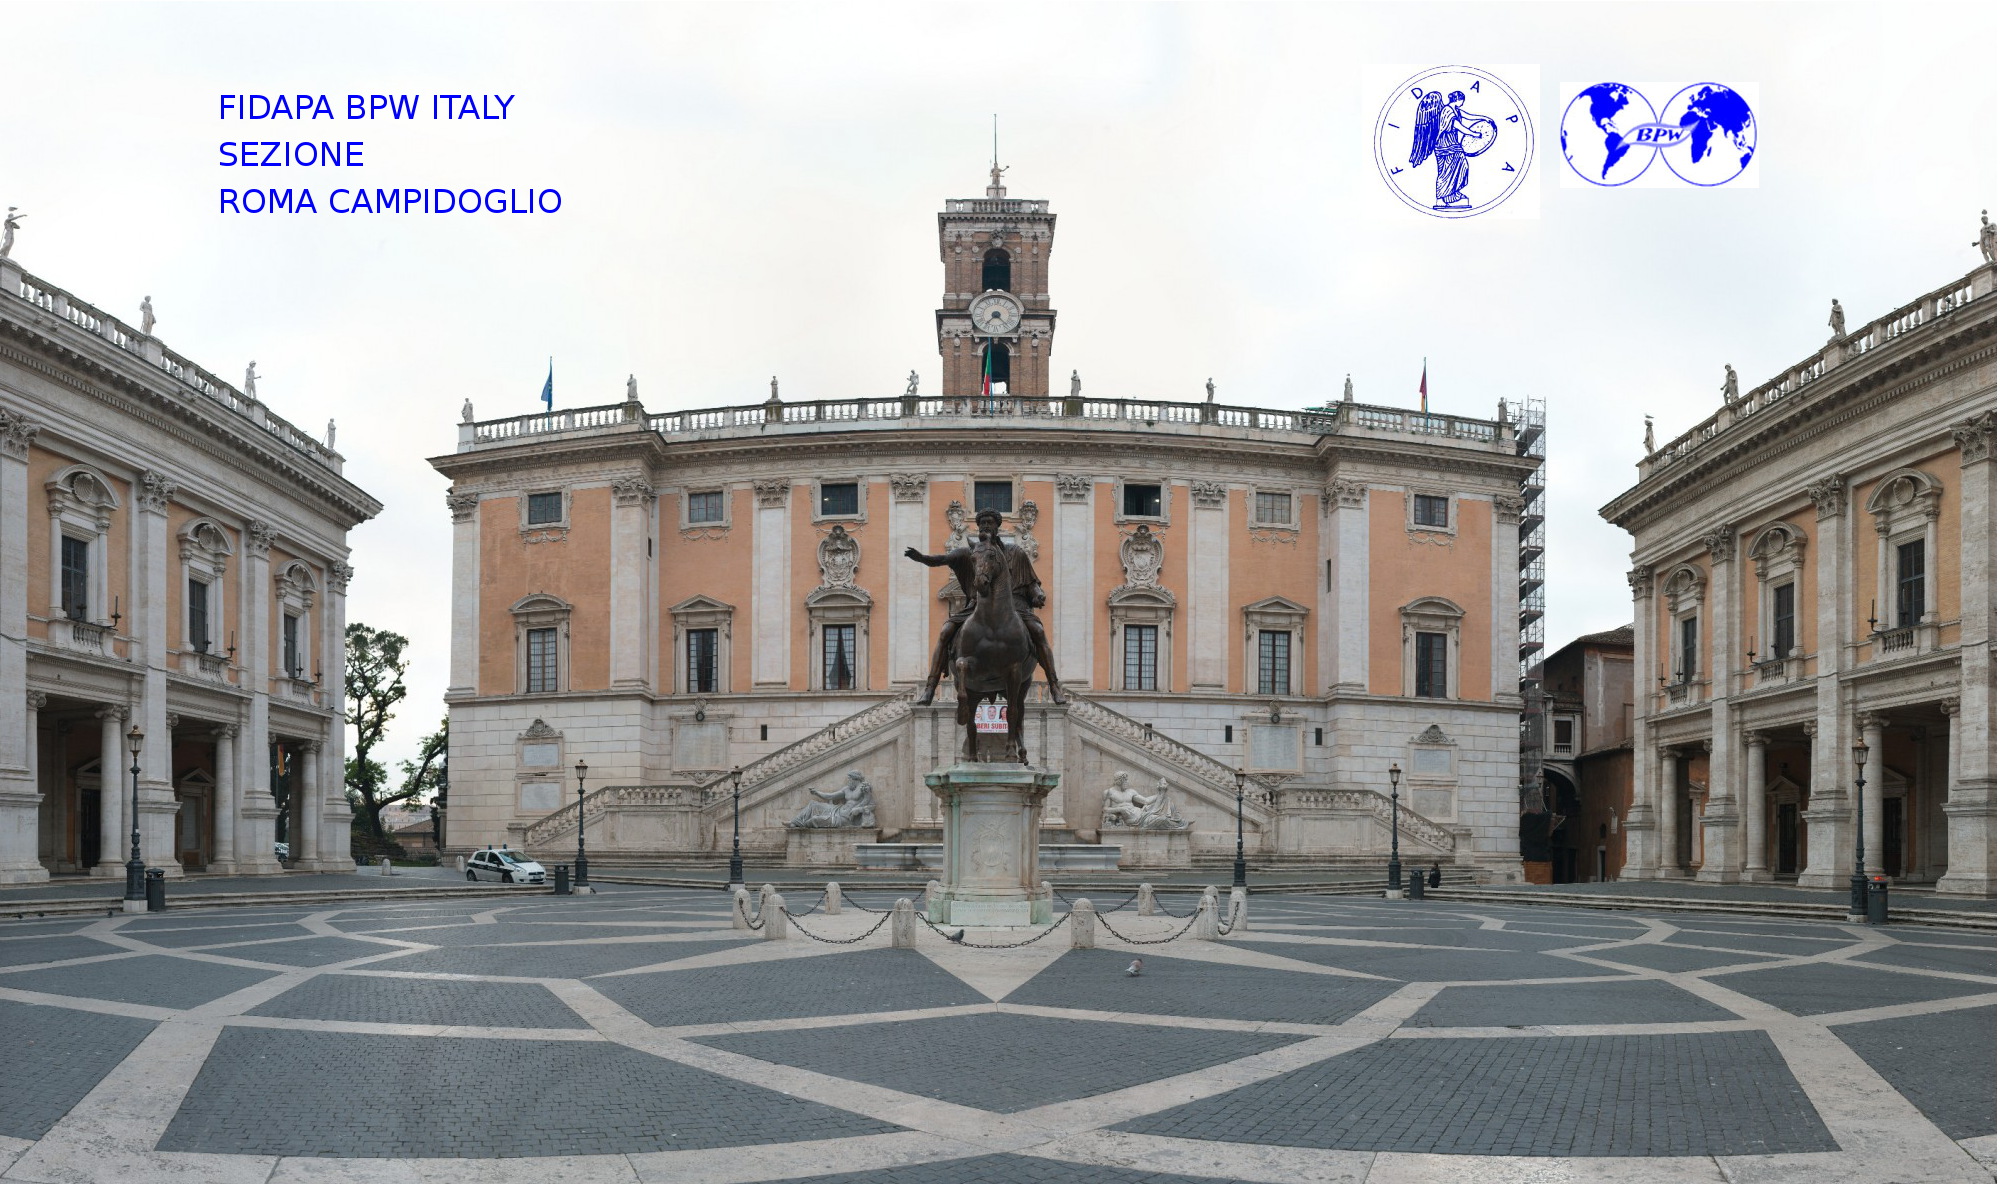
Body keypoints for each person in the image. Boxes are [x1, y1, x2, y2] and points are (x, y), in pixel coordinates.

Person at [905, 507, 1063, 704]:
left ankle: (1054, 684)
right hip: (977, 605)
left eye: (990, 523)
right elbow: (943, 559)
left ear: (998, 527)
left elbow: (1031, 582)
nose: (986, 526)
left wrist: (1038, 593)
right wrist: (922, 558)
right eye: (982, 523)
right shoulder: (971, 552)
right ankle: (930, 687)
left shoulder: (1016, 553)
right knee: (945, 632)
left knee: (1038, 632)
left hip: (1016, 606)